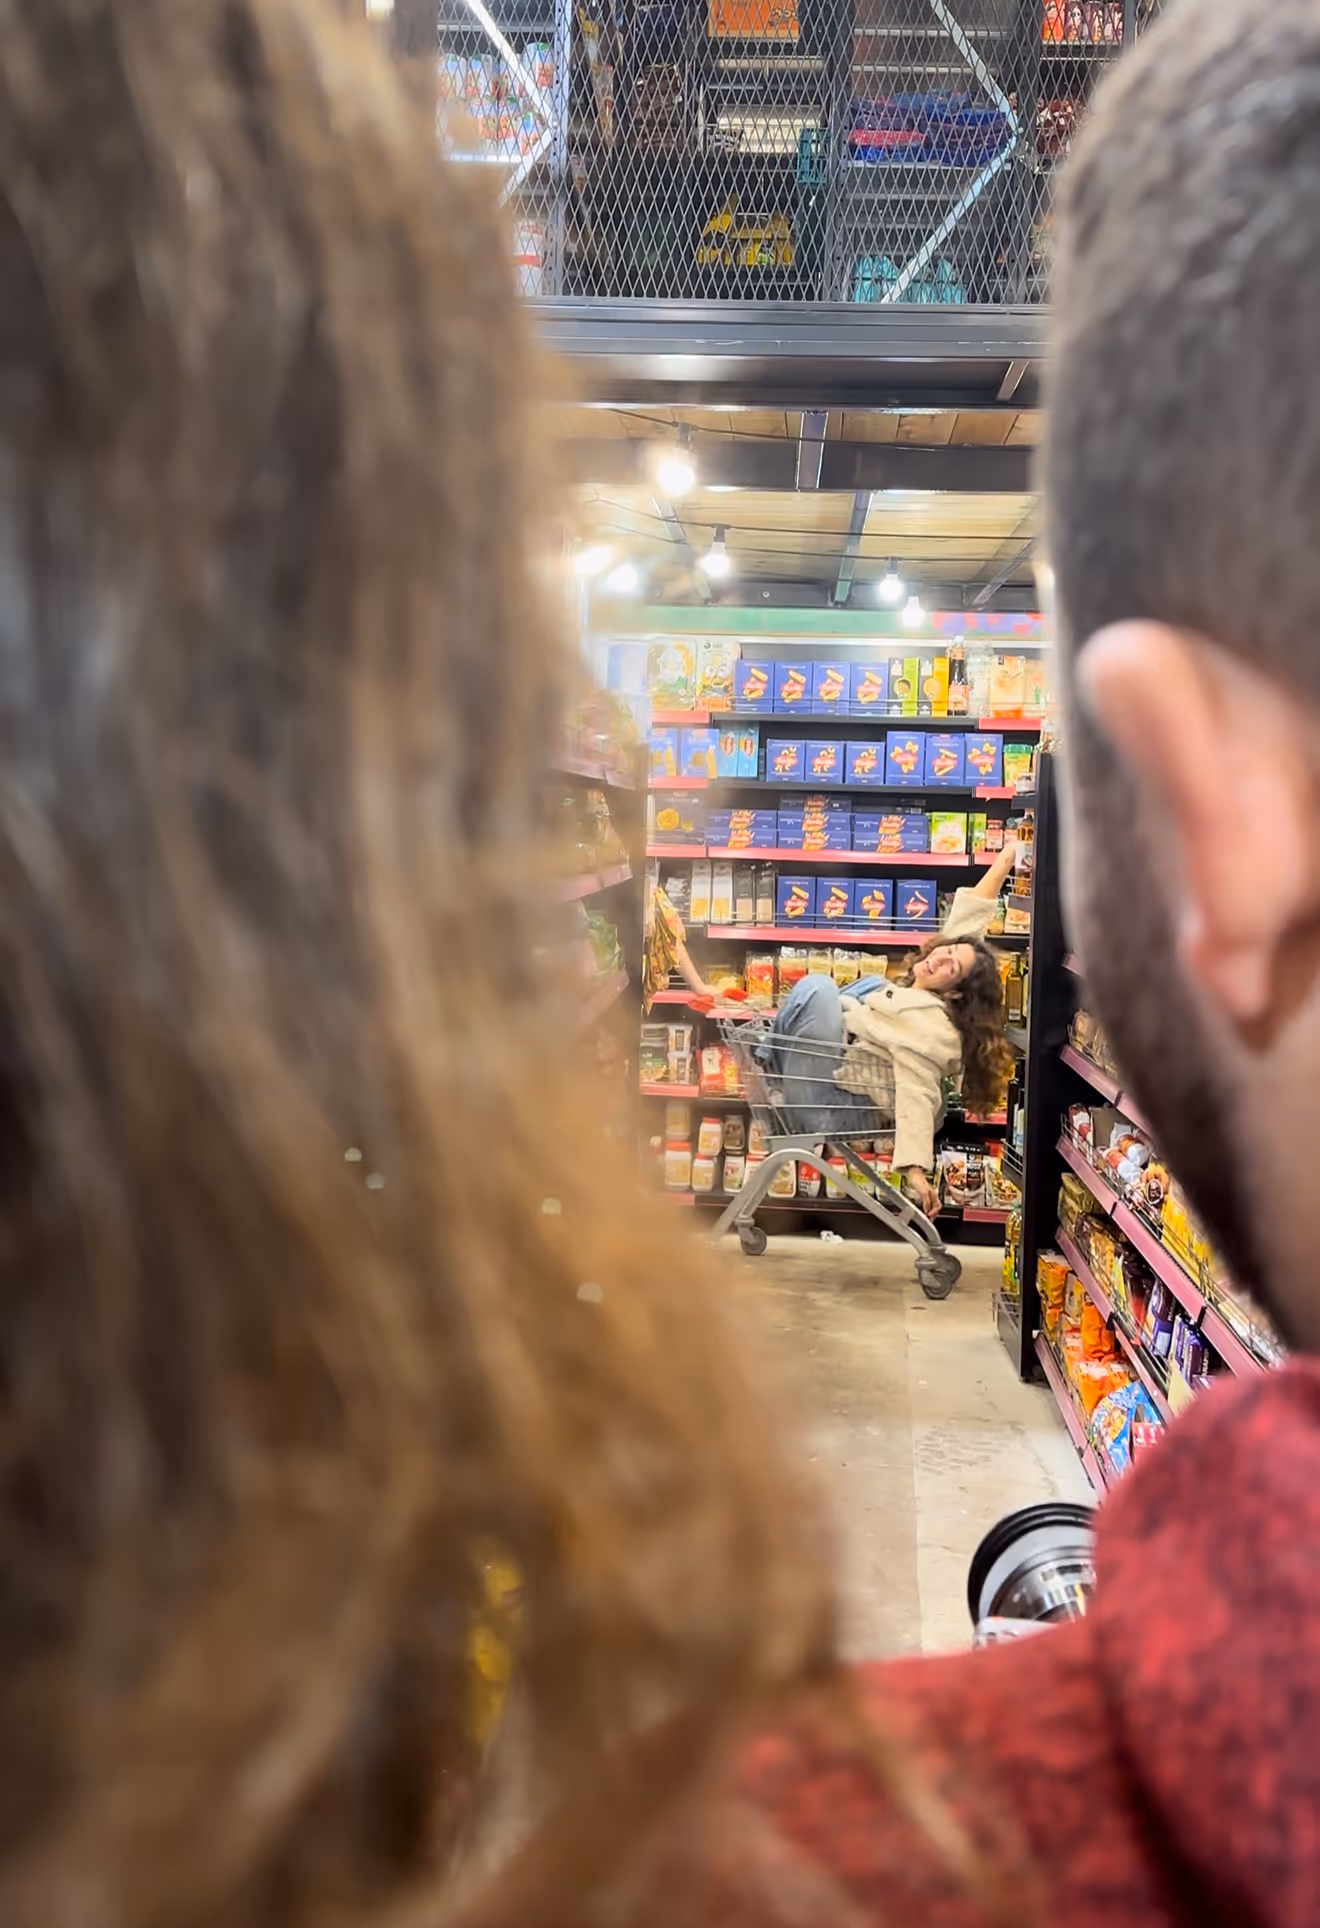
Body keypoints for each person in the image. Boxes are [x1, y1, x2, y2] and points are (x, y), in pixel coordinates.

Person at [761, 843, 1018, 1216]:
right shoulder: (920, 993)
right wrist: (1008, 857)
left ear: (956, 992)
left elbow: (918, 1095)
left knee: (819, 988)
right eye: (945, 950)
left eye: (951, 967)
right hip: (829, 1082)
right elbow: (967, 923)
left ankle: (768, 1061)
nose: (939, 958)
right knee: (870, 985)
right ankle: (771, 1063)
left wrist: (915, 1170)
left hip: (829, 1105)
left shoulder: (931, 1029)